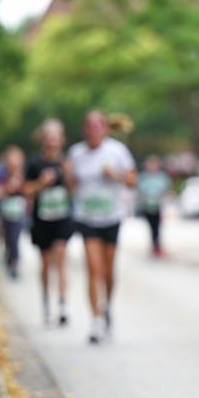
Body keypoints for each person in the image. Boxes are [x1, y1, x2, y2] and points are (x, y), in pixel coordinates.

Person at [68, 110, 137, 344]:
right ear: (84, 129)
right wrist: (67, 178)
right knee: (93, 269)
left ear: (105, 129)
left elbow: (131, 181)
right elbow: (70, 185)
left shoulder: (117, 151)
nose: (93, 129)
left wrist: (115, 174)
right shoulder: (76, 153)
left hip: (111, 216)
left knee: (108, 271)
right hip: (86, 217)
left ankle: (107, 306)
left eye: (98, 125)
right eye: (89, 125)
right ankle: (95, 321)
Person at [25, 118, 74, 326]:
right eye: (48, 138)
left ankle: (62, 305)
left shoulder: (67, 162)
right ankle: (46, 303)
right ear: (42, 140)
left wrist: (68, 172)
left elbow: (73, 189)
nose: (52, 142)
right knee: (45, 263)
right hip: (42, 218)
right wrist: (41, 183)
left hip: (62, 217)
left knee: (61, 258)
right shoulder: (34, 163)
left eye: (56, 138)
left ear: (62, 140)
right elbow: (26, 190)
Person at [0, 146, 27, 280]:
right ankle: (9, 257)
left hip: (18, 213)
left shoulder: (23, 174)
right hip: (5, 212)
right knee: (7, 237)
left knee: (15, 238)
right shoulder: (2, 174)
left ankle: (14, 263)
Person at [136, 155, 170, 258]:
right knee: (151, 227)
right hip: (147, 206)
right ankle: (154, 245)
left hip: (158, 206)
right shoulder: (143, 177)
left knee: (157, 228)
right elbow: (140, 190)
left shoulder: (162, 177)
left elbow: (165, 190)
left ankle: (157, 246)